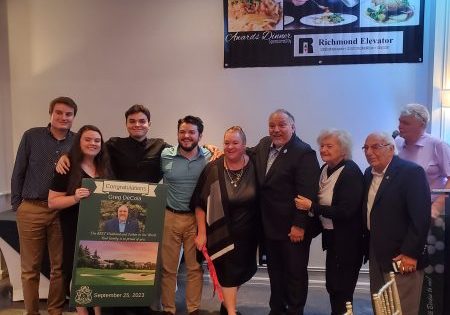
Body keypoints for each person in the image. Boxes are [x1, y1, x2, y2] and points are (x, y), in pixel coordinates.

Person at [248, 109, 320, 315]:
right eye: (272, 125)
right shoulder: (263, 145)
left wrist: (299, 225)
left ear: (293, 127)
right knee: (275, 273)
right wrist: (223, 151)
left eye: (282, 125)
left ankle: (295, 311)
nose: (276, 129)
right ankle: (276, 309)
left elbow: (307, 193)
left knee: (295, 275)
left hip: (292, 230)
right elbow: (247, 153)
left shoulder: (303, 152)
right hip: (269, 227)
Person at [11, 96, 78, 315]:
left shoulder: (77, 142)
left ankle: (55, 311)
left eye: (68, 114)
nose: (63, 117)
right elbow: (18, 170)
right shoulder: (31, 136)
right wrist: (17, 204)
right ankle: (32, 312)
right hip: (31, 208)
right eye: (59, 112)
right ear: (50, 113)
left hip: (61, 211)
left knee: (59, 268)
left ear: (74, 117)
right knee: (30, 269)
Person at [294, 129, 364, 315]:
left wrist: (311, 207)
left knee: (343, 288)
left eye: (329, 146)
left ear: (343, 149)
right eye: (322, 146)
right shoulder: (325, 169)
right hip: (332, 237)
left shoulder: (351, 172)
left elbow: (346, 211)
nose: (323, 149)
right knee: (333, 285)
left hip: (349, 241)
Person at [362, 132, 431, 315]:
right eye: (366, 147)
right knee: (381, 305)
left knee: (402, 307)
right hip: (376, 251)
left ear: (391, 149)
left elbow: (421, 217)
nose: (369, 152)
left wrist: (410, 253)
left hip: (402, 254)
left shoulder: (411, 173)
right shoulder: (369, 173)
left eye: (375, 146)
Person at [48, 125, 113, 315]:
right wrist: (75, 198)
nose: (93, 143)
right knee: (79, 275)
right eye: (88, 139)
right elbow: (52, 202)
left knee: (97, 274)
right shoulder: (66, 167)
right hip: (74, 229)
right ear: (79, 142)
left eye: (97, 140)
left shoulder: (105, 167)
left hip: (100, 231)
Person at [193, 126, 258, 315]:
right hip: (220, 232)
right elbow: (199, 203)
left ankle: (226, 306)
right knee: (228, 275)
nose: (230, 147)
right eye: (227, 143)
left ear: (244, 145)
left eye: (235, 143)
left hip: (248, 236)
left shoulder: (255, 166)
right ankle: (231, 311)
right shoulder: (213, 168)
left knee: (240, 274)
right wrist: (202, 233)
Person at [395, 103, 450, 313]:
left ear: (422, 124)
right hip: (404, 214)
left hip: (432, 215)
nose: (400, 126)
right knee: (407, 262)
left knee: (429, 267)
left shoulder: (437, 145)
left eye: (405, 123)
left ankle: (430, 307)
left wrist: (436, 206)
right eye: (400, 121)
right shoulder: (398, 144)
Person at [160, 115, 212, 315]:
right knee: (168, 269)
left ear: (200, 135)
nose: (186, 136)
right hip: (169, 217)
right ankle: (168, 309)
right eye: (182, 132)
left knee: (194, 268)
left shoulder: (209, 156)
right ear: (177, 134)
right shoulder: (165, 155)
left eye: (191, 132)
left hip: (196, 220)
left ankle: (193, 309)